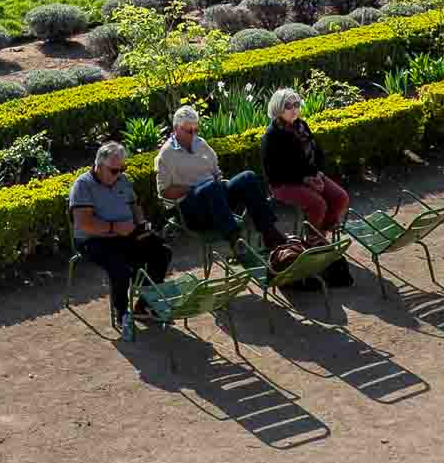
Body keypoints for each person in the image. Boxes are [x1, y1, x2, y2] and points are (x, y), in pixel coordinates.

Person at [70, 141, 174, 331]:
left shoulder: (122, 180)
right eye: (114, 170)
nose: (118, 174)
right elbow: (84, 224)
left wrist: (141, 222)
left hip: (125, 233)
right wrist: (114, 227)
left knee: (162, 251)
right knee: (120, 266)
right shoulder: (83, 185)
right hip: (94, 239)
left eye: (121, 169)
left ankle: (144, 304)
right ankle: (122, 313)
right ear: (99, 166)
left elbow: (134, 205)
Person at [154, 105, 286, 248]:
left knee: (247, 177)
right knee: (210, 187)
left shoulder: (201, 144)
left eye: (196, 130)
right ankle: (236, 242)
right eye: (189, 131)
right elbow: (164, 192)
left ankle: (269, 232)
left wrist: (218, 180)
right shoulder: (166, 155)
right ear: (176, 129)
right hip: (191, 209)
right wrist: (190, 189)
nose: (193, 135)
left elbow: (216, 172)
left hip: (216, 197)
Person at [260, 90, 355, 283]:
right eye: (288, 106)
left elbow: (317, 153)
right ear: (278, 108)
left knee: (340, 197)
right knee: (317, 204)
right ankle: (313, 241)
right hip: (283, 183)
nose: (294, 109)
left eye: (297, 104)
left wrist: (318, 174)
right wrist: (305, 180)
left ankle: (319, 235)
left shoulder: (301, 126)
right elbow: (275, 171)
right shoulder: (272, 136)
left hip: (310, 175)